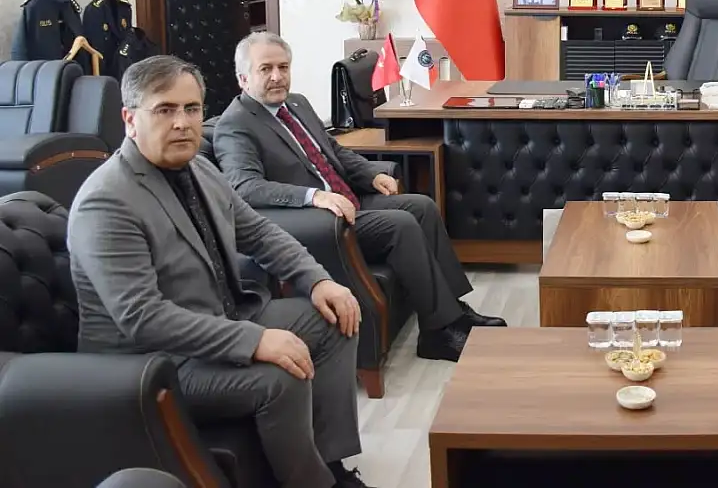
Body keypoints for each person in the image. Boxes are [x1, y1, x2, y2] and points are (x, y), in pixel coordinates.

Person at [67, 55, 372, 488]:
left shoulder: (199, 168)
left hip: (220, 316)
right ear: (130, 119)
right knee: (279, 376)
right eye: (165, 109)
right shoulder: (106, 201)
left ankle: (331, 463)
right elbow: (142, 318)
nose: (182, 123)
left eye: (191, 109)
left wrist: (319, 279)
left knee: (337, 317)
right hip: (152, 364)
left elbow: (259, 234)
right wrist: (255, 340)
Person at [214, 32, 505, 363]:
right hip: (319, 223)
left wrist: (370, 173)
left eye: (283, 67)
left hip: (350, 200)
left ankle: (453, 312)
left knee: (422, 206)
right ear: (243, 78)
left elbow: (332, 150)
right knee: (401, 225)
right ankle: (438, 333)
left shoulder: (296, 103)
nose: (277, 76)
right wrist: (312, 196)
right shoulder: (235, 125)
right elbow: (245, 186)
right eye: (265, 69)